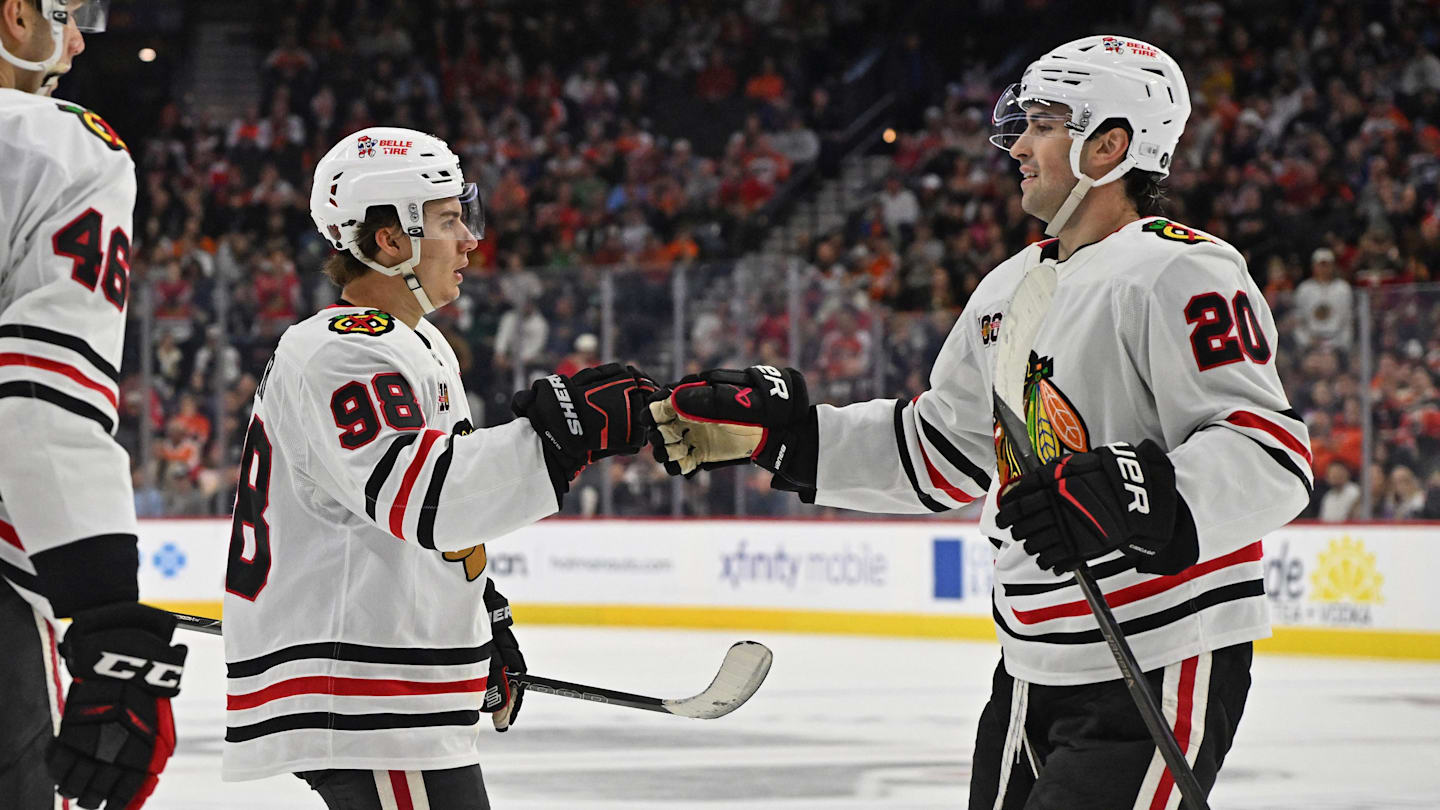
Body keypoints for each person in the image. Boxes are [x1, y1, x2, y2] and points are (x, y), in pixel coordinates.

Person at [646, 36, 1312, 809]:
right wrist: (791, 439)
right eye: (1022, 123)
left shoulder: (1180, 268)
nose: (1018, 146)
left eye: (1044, 124)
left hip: (1159, 652)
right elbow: (943, 452)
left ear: (1112, 143)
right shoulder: (1008, 287)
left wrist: (1136, 496)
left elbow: (1271, 455)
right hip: (1030, 666)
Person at [221, 127, 656, 808]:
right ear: (389, 240)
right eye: (450, 219)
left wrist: (482, 620)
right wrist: (567, 433)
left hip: (388, 689)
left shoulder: (414, 343)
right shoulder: (342, 350)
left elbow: (427, 513)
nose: (471, 240)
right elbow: (426, 499)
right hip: (370, 698)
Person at [0, 2, 190, 809]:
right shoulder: (53, 141)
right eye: (68, 16)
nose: (78, 41)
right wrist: (105, 612)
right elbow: (37, 391)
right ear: (15, 16)